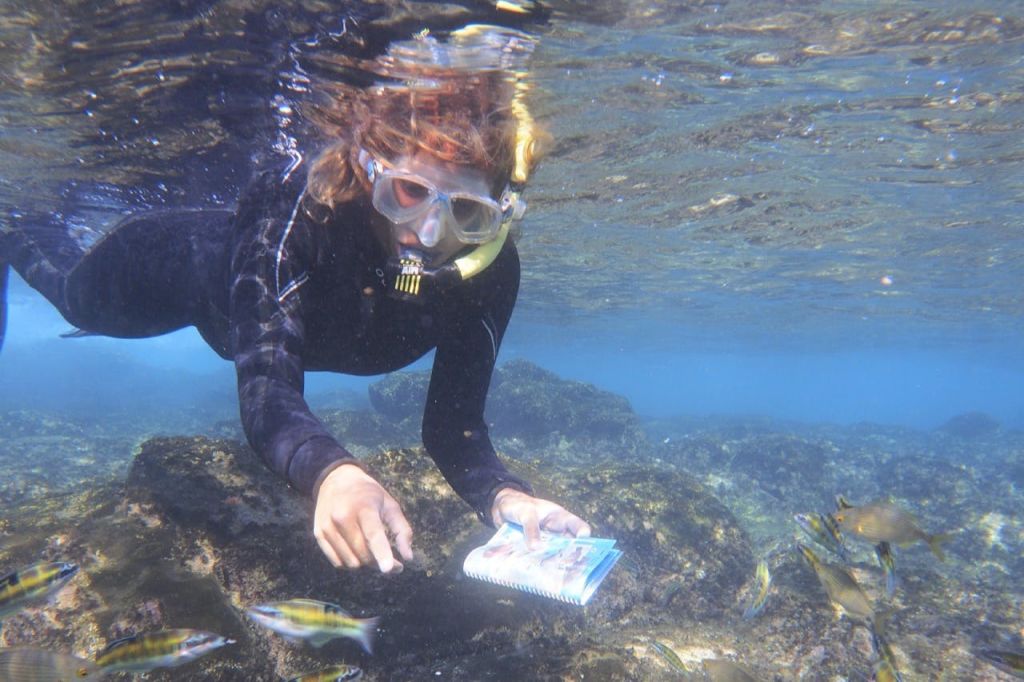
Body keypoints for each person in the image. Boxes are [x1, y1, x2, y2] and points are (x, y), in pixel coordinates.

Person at [0, 25, 590, 573]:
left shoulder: (489, 273)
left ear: (497, 214)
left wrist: (506, 498)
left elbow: (453, 427)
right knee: (76, 301)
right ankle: (13, 221)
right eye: (408, 192)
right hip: (184, 270)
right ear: (368, 168)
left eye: (465, 212)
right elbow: (266, 387)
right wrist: (331, 472)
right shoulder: (300, 202)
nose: (428, 234)